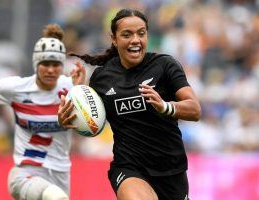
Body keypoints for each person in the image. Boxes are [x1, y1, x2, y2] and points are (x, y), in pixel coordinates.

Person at [58, 8, 201, 200]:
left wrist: (164, 106)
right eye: (127, 34)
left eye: (141, 33)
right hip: (129, 167)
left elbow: (194, 109)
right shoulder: (102, 78)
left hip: (171, 171)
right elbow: (93, 125)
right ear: (114, 39)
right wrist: (72, 114)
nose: (135, 40)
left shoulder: (165, 65)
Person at [0, 23, 84, 200]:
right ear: (35, 63)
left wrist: (81, 94)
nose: (50, 69)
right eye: (45, 63)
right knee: (54, 196)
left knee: (57, 194)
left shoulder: (71, 87)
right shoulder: (17, 87)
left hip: (60, 172)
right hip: (26, 172)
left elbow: (88, 131)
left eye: (55, 64)